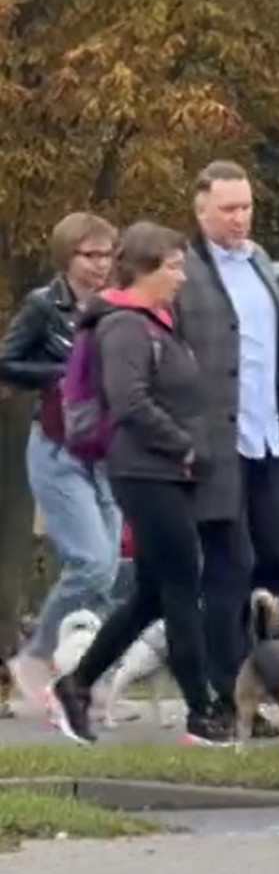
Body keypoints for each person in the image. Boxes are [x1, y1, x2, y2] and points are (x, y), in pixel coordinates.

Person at [47, 222, 217, 745]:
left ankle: (75, 685)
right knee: (184, 585)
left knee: (151, 593)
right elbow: (129, 401)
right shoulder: (125, 325)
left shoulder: (157, 321)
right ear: (143, 269)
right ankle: (202, 711)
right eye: (172, 266)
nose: (181, 277)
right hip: (144, 469)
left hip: (166, 470)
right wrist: (182, 443)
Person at [176, 160, 279, 735]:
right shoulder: (185, 270)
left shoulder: (257, 261)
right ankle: (228, 697)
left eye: (246, 206)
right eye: (227, 208)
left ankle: (246, 649)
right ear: (201, 209)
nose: (239, 218)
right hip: (216, 445)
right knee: (229, 568)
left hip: (268, 435)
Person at [2, 213, 123, 694]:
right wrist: (59, 372)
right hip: (58, 447)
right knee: (90, 563)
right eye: (89, 256)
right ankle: (35, 656)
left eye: (107, 255)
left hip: (107, 449)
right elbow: (7, 360)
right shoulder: (43, 307)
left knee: (107, 573)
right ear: (66, 257)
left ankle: (80, 681)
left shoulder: (116, 305)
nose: (100, 265)